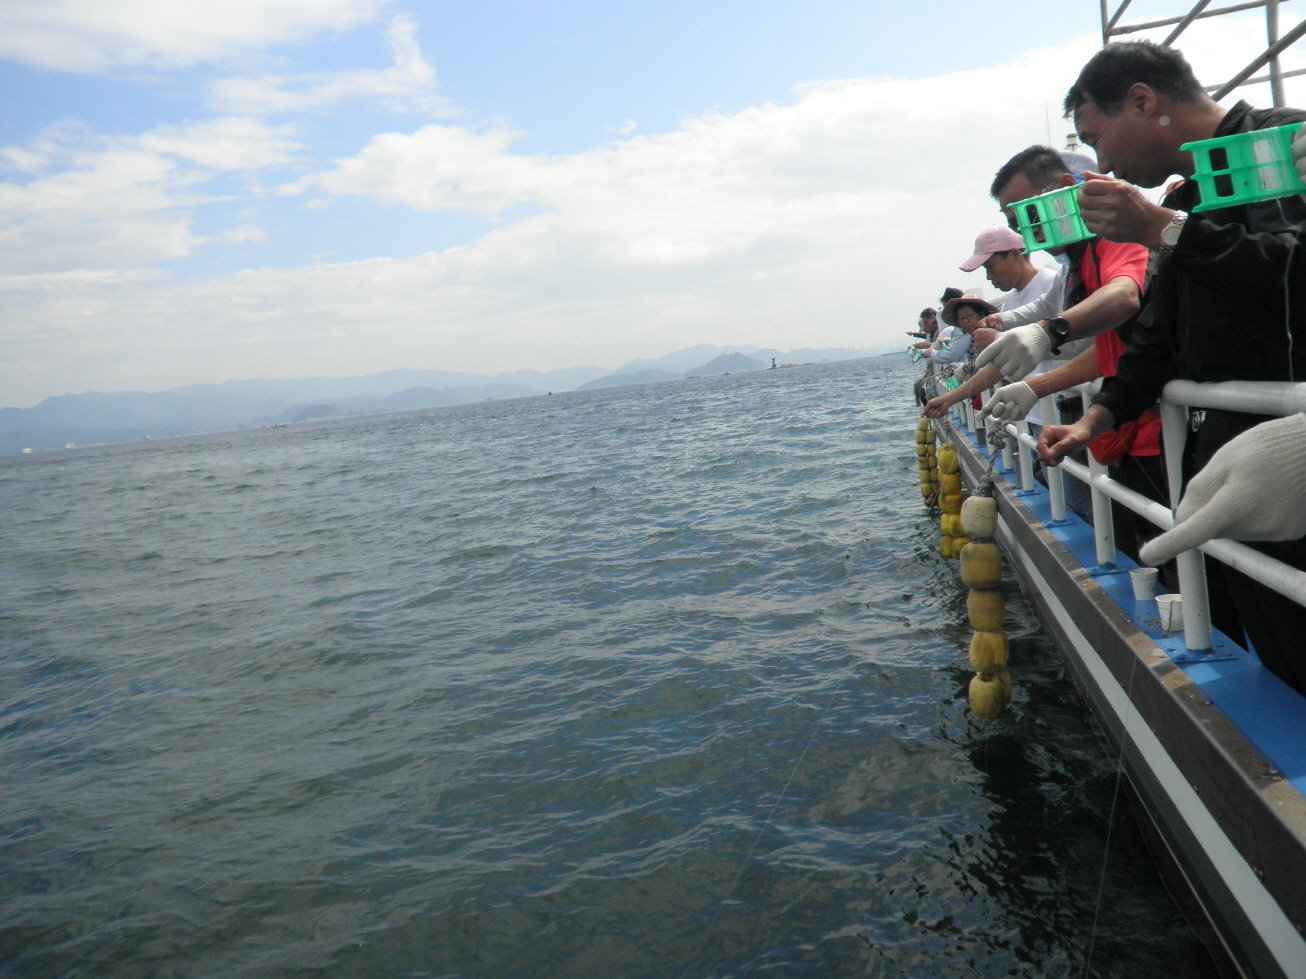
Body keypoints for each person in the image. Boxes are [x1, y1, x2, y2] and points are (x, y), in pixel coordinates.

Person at [1034, 40, 1306, 693]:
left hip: (1288, 462)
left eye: (1098, 138)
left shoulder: (1283, 144)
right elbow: (1157, 337)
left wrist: (1162, 230)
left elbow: (1289, 267)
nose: (1102, 162)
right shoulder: (1189, 195)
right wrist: (1092, 420)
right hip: (1228, 472)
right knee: (1276, 651)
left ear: (1143, 101)